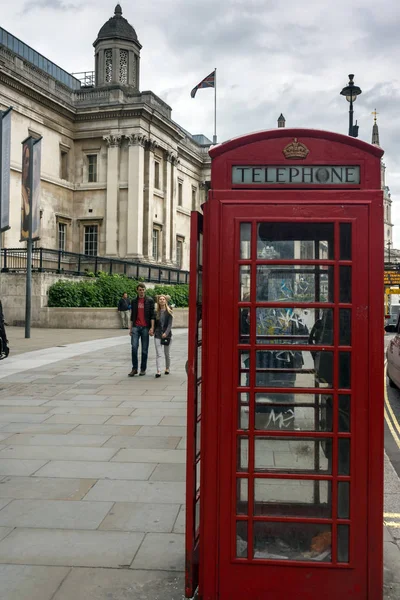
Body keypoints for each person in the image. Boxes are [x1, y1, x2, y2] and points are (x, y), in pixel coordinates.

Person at [128, 283, 155, 377]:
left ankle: (143, 369)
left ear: (145, 290)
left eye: (143, 290)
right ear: (137, 290)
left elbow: (152, 315)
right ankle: (134, 368)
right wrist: (131, 328)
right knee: (134, 347)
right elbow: (132, 315)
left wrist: (152, 328)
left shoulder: (150, 300)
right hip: (135, 327)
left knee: (144, 350)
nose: (141, 291)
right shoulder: (134, 301)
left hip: (145, 327)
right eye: (140, 290)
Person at [154, 294, 173, 378]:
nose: (162, 300)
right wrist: (152, 330)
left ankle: (167, 368)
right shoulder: (156, 312)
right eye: (160, 299)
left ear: (165, 301)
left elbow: (169, 324)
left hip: (167, 335)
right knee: (159, 353)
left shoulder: (169, 311)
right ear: (158, 301)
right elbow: (154, 324)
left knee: (166, 353)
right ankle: (158, 371)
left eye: (163, 299)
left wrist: (166, 333)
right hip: (158, 334)